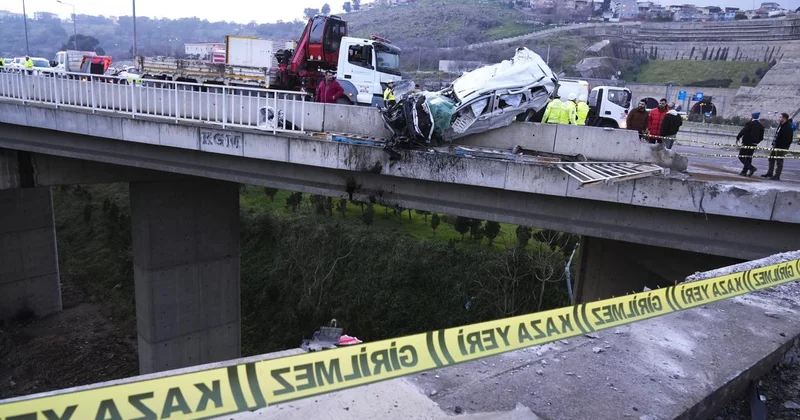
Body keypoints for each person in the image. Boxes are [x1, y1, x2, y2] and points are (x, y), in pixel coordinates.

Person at [762, 112, 793, 181]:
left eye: (780, 117)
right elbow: (777, 135)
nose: (779, 118)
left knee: (779, 161)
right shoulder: (780, 125)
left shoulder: (787, 127)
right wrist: (774, 143)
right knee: (771, 158)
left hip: (782, 147)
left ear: (784, 118)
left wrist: (783, 146)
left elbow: (788, 139)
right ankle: (770, 173)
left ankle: (777, 175)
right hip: (776, 145)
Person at [736, 112, 765, 177]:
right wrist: (756, 142)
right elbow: (761, 137)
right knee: (749, 157)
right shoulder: (761, 126)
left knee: (741, 156)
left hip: (747, 143)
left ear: (752, 117)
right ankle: (744, 172)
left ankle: (751, 168)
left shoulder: (750, 124)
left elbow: (743, 131)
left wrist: (738, 137)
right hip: (754, 144)